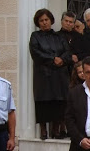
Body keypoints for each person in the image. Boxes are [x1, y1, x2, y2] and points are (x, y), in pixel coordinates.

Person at [29, 8, 72, 140]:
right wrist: (53, 59)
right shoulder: (35, 36)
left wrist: (62, 60)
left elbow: (67, 52)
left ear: (51, 21)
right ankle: (43, 130)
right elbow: (36, 53)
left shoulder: (59, 36)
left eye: (46, 20)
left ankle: (56, 129)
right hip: (44, 74)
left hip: (60, 74)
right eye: (41, 20)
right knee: (44, 101)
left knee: (59, 101)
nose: (44, 23)